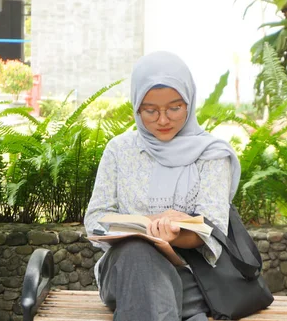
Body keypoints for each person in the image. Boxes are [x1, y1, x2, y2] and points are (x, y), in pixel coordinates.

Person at [84, 51, 241, 321]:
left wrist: (176, 232)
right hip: (125, 271)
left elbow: (212, 230)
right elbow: (95, 219)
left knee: (150, 296)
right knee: (137, 254)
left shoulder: (212, 154)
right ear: (136, 107)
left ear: (189, 102)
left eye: (174, 108)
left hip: (192, 276)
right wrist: (146, 226)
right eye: (150, 110)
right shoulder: (120, 150)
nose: (163, 120)